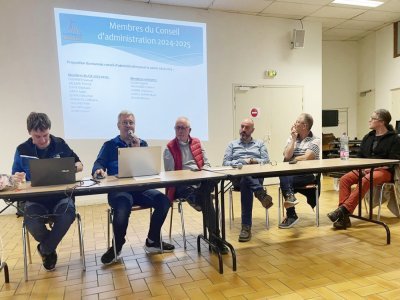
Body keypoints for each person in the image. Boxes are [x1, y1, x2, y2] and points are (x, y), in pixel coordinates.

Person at [93, 110, 174, 264]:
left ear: (134, 126)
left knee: (163, 201)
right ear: (118, 126)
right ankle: (117, 246)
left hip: (141, 189)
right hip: (119, 190)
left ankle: (152, 240)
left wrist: (137, 149)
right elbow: (98, 163)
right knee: (123, 206)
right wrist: (98, 170)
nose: (128, 125)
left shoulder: (142, 143)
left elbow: (148, 167)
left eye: (131, 122)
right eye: (125, 122)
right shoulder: (109, 145)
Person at [12, 112, 83, 271]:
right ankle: (49, 249)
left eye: (45, 135)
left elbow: (80, 164)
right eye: (37, 136)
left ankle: (45, 250)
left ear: (49, 130)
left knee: (67, 214)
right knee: (31, 222)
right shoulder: (22, 149)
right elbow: (14, 176)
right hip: (35, 200)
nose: (43, 140)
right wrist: (17, 177)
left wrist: (71, 168)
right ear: (29, 132)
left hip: (61, 197)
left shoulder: (60, 144)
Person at [164, 117, 228, 254]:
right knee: (206, 199)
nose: (180, 130)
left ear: (189, 130)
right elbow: (170, 176)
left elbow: (207, 163)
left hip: (200, 180)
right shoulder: (169, 148)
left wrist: (203, 173)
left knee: (213, 181)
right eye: (177, 128)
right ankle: (216, 240)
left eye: (183, 128)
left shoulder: (197, 142)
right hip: (182, 185)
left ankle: (197, 198)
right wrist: (187, 175)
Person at [327, 109, 400, 229]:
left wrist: (372, 168)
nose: (369, 120)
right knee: (345, 179)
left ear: (381, 122)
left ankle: (343, 210)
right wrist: (363, 167)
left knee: (366, 179)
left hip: (384, 171)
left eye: (373, 118)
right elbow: (360, 156)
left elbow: (393, 161)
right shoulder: (368, 137)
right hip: (366, 169)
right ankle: (344, 217)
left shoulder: (394, 139)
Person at [222, 118, 273, 242]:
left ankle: (246, 227)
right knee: (244, 177)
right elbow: (225, 163)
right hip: (237, 178)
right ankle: (260, 193)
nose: (243, 130)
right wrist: (241, 162)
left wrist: (253, 161)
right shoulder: (232, 144)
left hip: (256, 176)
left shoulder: (260, 144)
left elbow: (266, 161)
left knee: (246, 180)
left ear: (252, 130)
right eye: (242, 126)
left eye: (247, 127)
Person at [279, 113, 321, 228]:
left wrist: (293, 159)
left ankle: (291, 215)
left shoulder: (315, 140)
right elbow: (286, 156)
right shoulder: (291, 138)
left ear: (304, 125)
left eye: (297, 122)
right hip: (292, 174)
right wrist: (293, 139)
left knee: (284, 177)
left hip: (307, 174)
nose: (294, 123)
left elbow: (307, 158)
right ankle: (290, 200)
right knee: (284, 174)